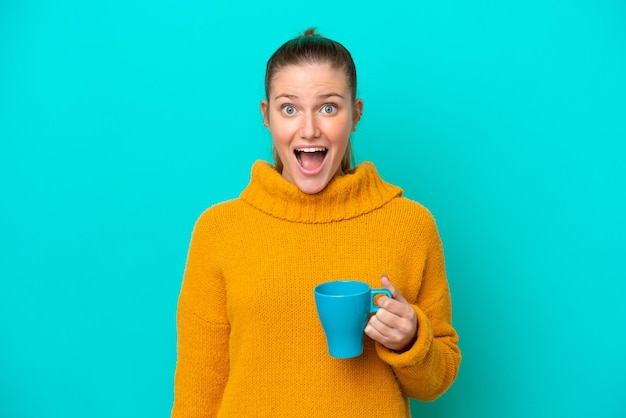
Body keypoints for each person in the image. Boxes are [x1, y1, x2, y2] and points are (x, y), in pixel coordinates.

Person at [172, 28, 461, 417]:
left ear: (355, 114)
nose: (309, 129)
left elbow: (436, 382)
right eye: (289, 108)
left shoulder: (410, 225)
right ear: (267, 116)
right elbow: (198, 390)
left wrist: (410, 338)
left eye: (328, 107)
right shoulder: (219, 230)